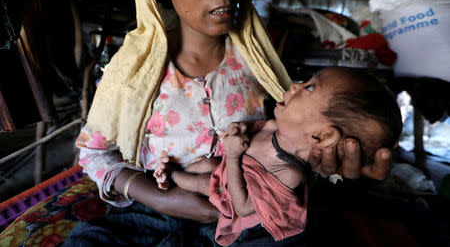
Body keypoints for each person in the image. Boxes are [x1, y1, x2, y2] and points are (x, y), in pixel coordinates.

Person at [64, 0, 393, 245]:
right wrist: (159, 197)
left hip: (247, 217)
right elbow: (95, 154)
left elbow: (297, 143)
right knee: (89, 239)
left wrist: (322, 164)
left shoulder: (258, 63)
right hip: (157, 209)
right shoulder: (133, 70)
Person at [153, 67, 403, 246]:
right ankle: (169, 172)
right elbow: (245, 139)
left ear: (320, 137)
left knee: (199, 190)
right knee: (206, 166)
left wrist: (232, 155)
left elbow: (243, 207)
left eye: (310, 87)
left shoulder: (289, 174)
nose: (295, 86)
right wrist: (237, 131)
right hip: (230, 177)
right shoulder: (272, 127)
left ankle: (171, 176)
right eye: (306, 81)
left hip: (249, 227)